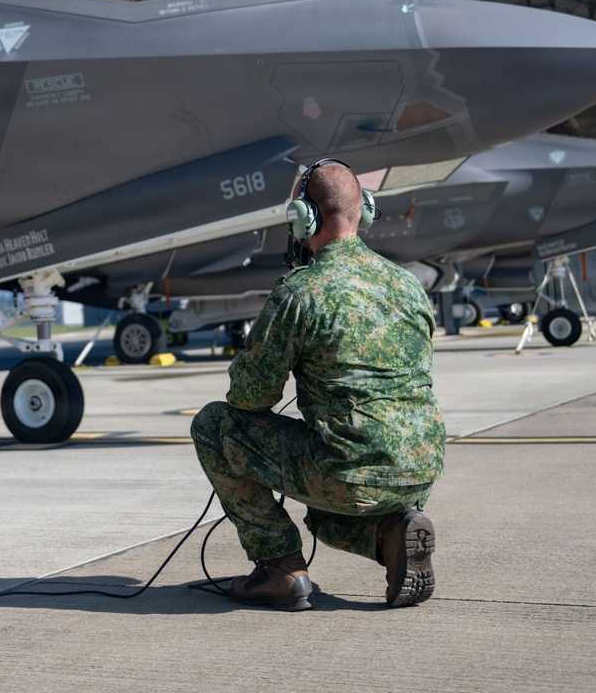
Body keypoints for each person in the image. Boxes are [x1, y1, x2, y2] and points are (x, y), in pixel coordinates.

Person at [190, 160, 445, 610]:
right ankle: (392, 533)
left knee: (214, 425)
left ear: (303, 218)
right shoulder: (408, 285)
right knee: (325, 516)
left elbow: (250, 397)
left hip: (346, 472)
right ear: (364, 211)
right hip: (419, 470)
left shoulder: (301, 292)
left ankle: (280, 568)